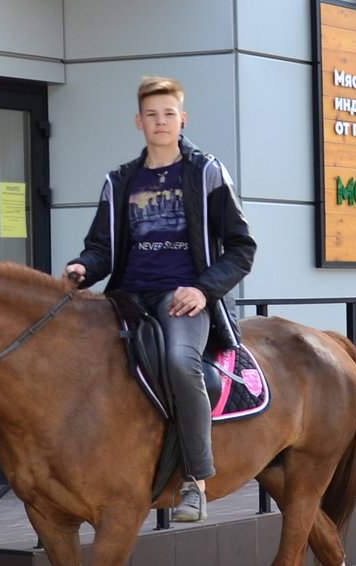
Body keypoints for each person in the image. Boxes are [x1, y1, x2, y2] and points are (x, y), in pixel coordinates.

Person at [65, 76, 256, 522]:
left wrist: (203, 290)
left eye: (169, 113)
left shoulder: (207, 172)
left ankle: (195, 480)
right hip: (126, 297)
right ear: (138, 122)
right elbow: (101, 250)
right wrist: (83, 267)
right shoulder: (119, 181)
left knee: (177, 362)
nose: (161, 121)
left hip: (182, 299)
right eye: (152, 115)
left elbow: (242, 248)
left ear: (182, 118)